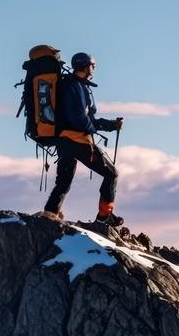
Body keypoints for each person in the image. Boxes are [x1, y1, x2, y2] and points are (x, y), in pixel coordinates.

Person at [41, 52, 124, 226]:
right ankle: (104, 217)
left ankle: (50, 212)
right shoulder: (75, 86)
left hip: (63, 141)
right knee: (111, 173)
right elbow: (79, 119)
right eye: (93, 66)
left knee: (64, 180)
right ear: (85, 67)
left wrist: (110, 125)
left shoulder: (68, 84)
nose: (94, 69)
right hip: (77, 140)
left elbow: (84, 119)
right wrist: (95, 127)